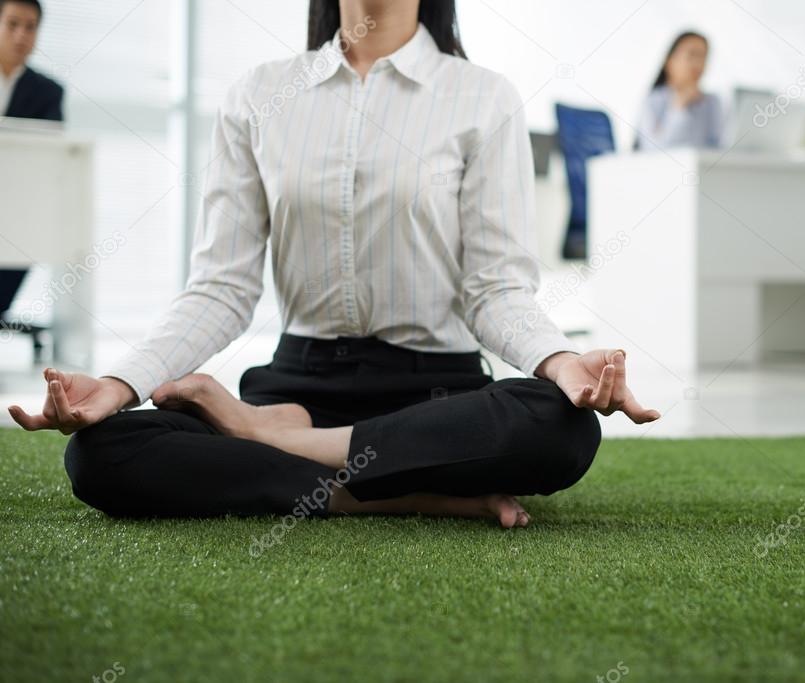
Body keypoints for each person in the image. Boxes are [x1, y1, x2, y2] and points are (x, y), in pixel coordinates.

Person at [8, 0, 660, 529]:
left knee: (563, 429)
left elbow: (494, 291)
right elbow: (221, 288)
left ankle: (286, 453)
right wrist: (120, 382)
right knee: (100, 455)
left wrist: (558, 360)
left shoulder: (481, 98)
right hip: (299, 388)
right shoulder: (258, 95)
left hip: (434, 395)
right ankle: (391, 489)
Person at [635, 31, 723, 151]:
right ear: (669, 61)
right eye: (692, 55)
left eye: (703, 57)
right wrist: (679, 107)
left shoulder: (712, 102)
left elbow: (718, 147)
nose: (698, 64)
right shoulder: (653, 100)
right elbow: (653, 151)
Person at [0, 0, 62, 121]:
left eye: (30, 27)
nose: (21, 35)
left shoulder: (49, 92)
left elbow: (52, 139)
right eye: (12, 23)